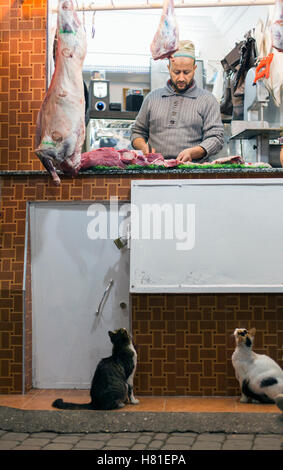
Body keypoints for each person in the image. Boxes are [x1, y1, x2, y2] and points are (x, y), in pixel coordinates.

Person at [131, 40, 224, 163]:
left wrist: (193, 152)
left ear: (194, 68)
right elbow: (137, 131)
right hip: (155, 170)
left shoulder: (207, 100)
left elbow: (216, 138)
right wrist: (144, 147)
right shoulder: (152, 98)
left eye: (186, 72)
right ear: (169, 68)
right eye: (176, 72)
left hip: (192, 172)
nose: (181, 78)